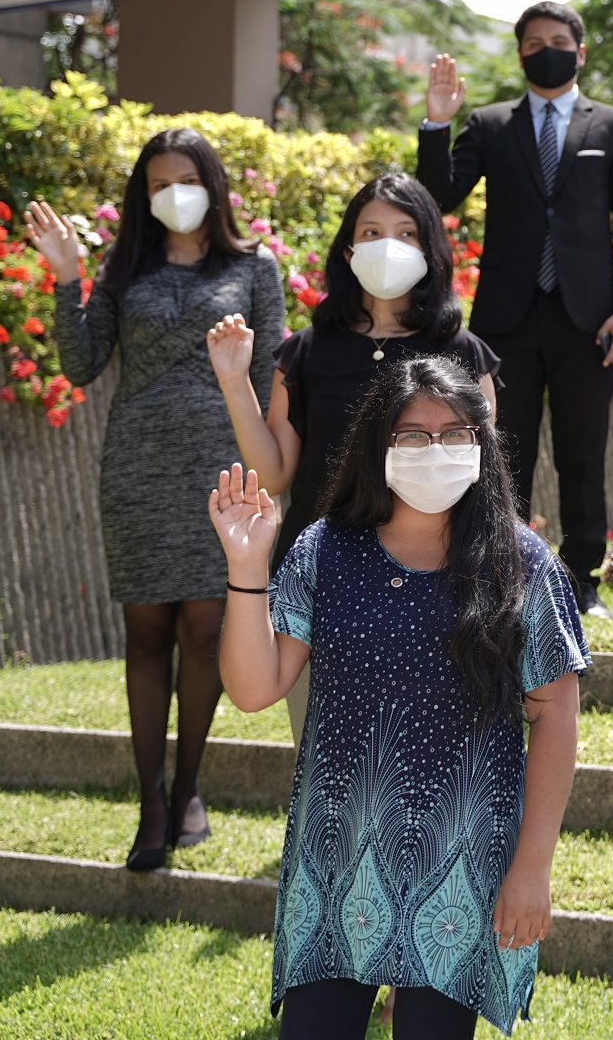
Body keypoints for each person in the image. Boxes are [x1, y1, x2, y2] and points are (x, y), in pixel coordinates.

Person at [208, 356, 588, 1040]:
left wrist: (532, 867)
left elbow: (556, 711)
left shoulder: (523, 563)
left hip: (462, 871)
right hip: (334, 866)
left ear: (482, 444)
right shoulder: (324, 550)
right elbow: (253, 686)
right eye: (413, 434)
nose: (435, 449)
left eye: (455, 432)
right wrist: (246, 567)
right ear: (378, 444)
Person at [22, 128, 283, 873]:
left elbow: (270, 376)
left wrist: (271, 471)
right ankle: (151, 801)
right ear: (144, 192)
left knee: (205, 630)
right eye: (159, 181)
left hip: (222, 469)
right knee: (146, 635)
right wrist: (68, 276)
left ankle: (192, 781)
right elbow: (80, 363)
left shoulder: (254, 267)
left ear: (214, 185)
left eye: (187, 178)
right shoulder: (125, 266)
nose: (174, 192)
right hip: (137, 465)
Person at [205, 172, 501, 736]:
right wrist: (233, 380)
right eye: (372, 231)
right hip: (326, 574)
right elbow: (274, 472)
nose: (389, 245)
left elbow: (483, 474)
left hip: (438, 576)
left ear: (432, 249)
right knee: (323, 751)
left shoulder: (463, 354)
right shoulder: (305, 352)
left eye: (406, 232)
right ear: (348, 251)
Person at [419, 0, 613, 617]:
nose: (544, 48)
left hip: (590, 319)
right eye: (532, 42)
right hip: (507, 318)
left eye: (557, 39)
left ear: (580, 50)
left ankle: (581, 579)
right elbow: (438, 199)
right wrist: (436, 125)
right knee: (505, 446)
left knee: (583, 448)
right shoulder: (491, 124)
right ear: (520, 53)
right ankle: (505, 570)